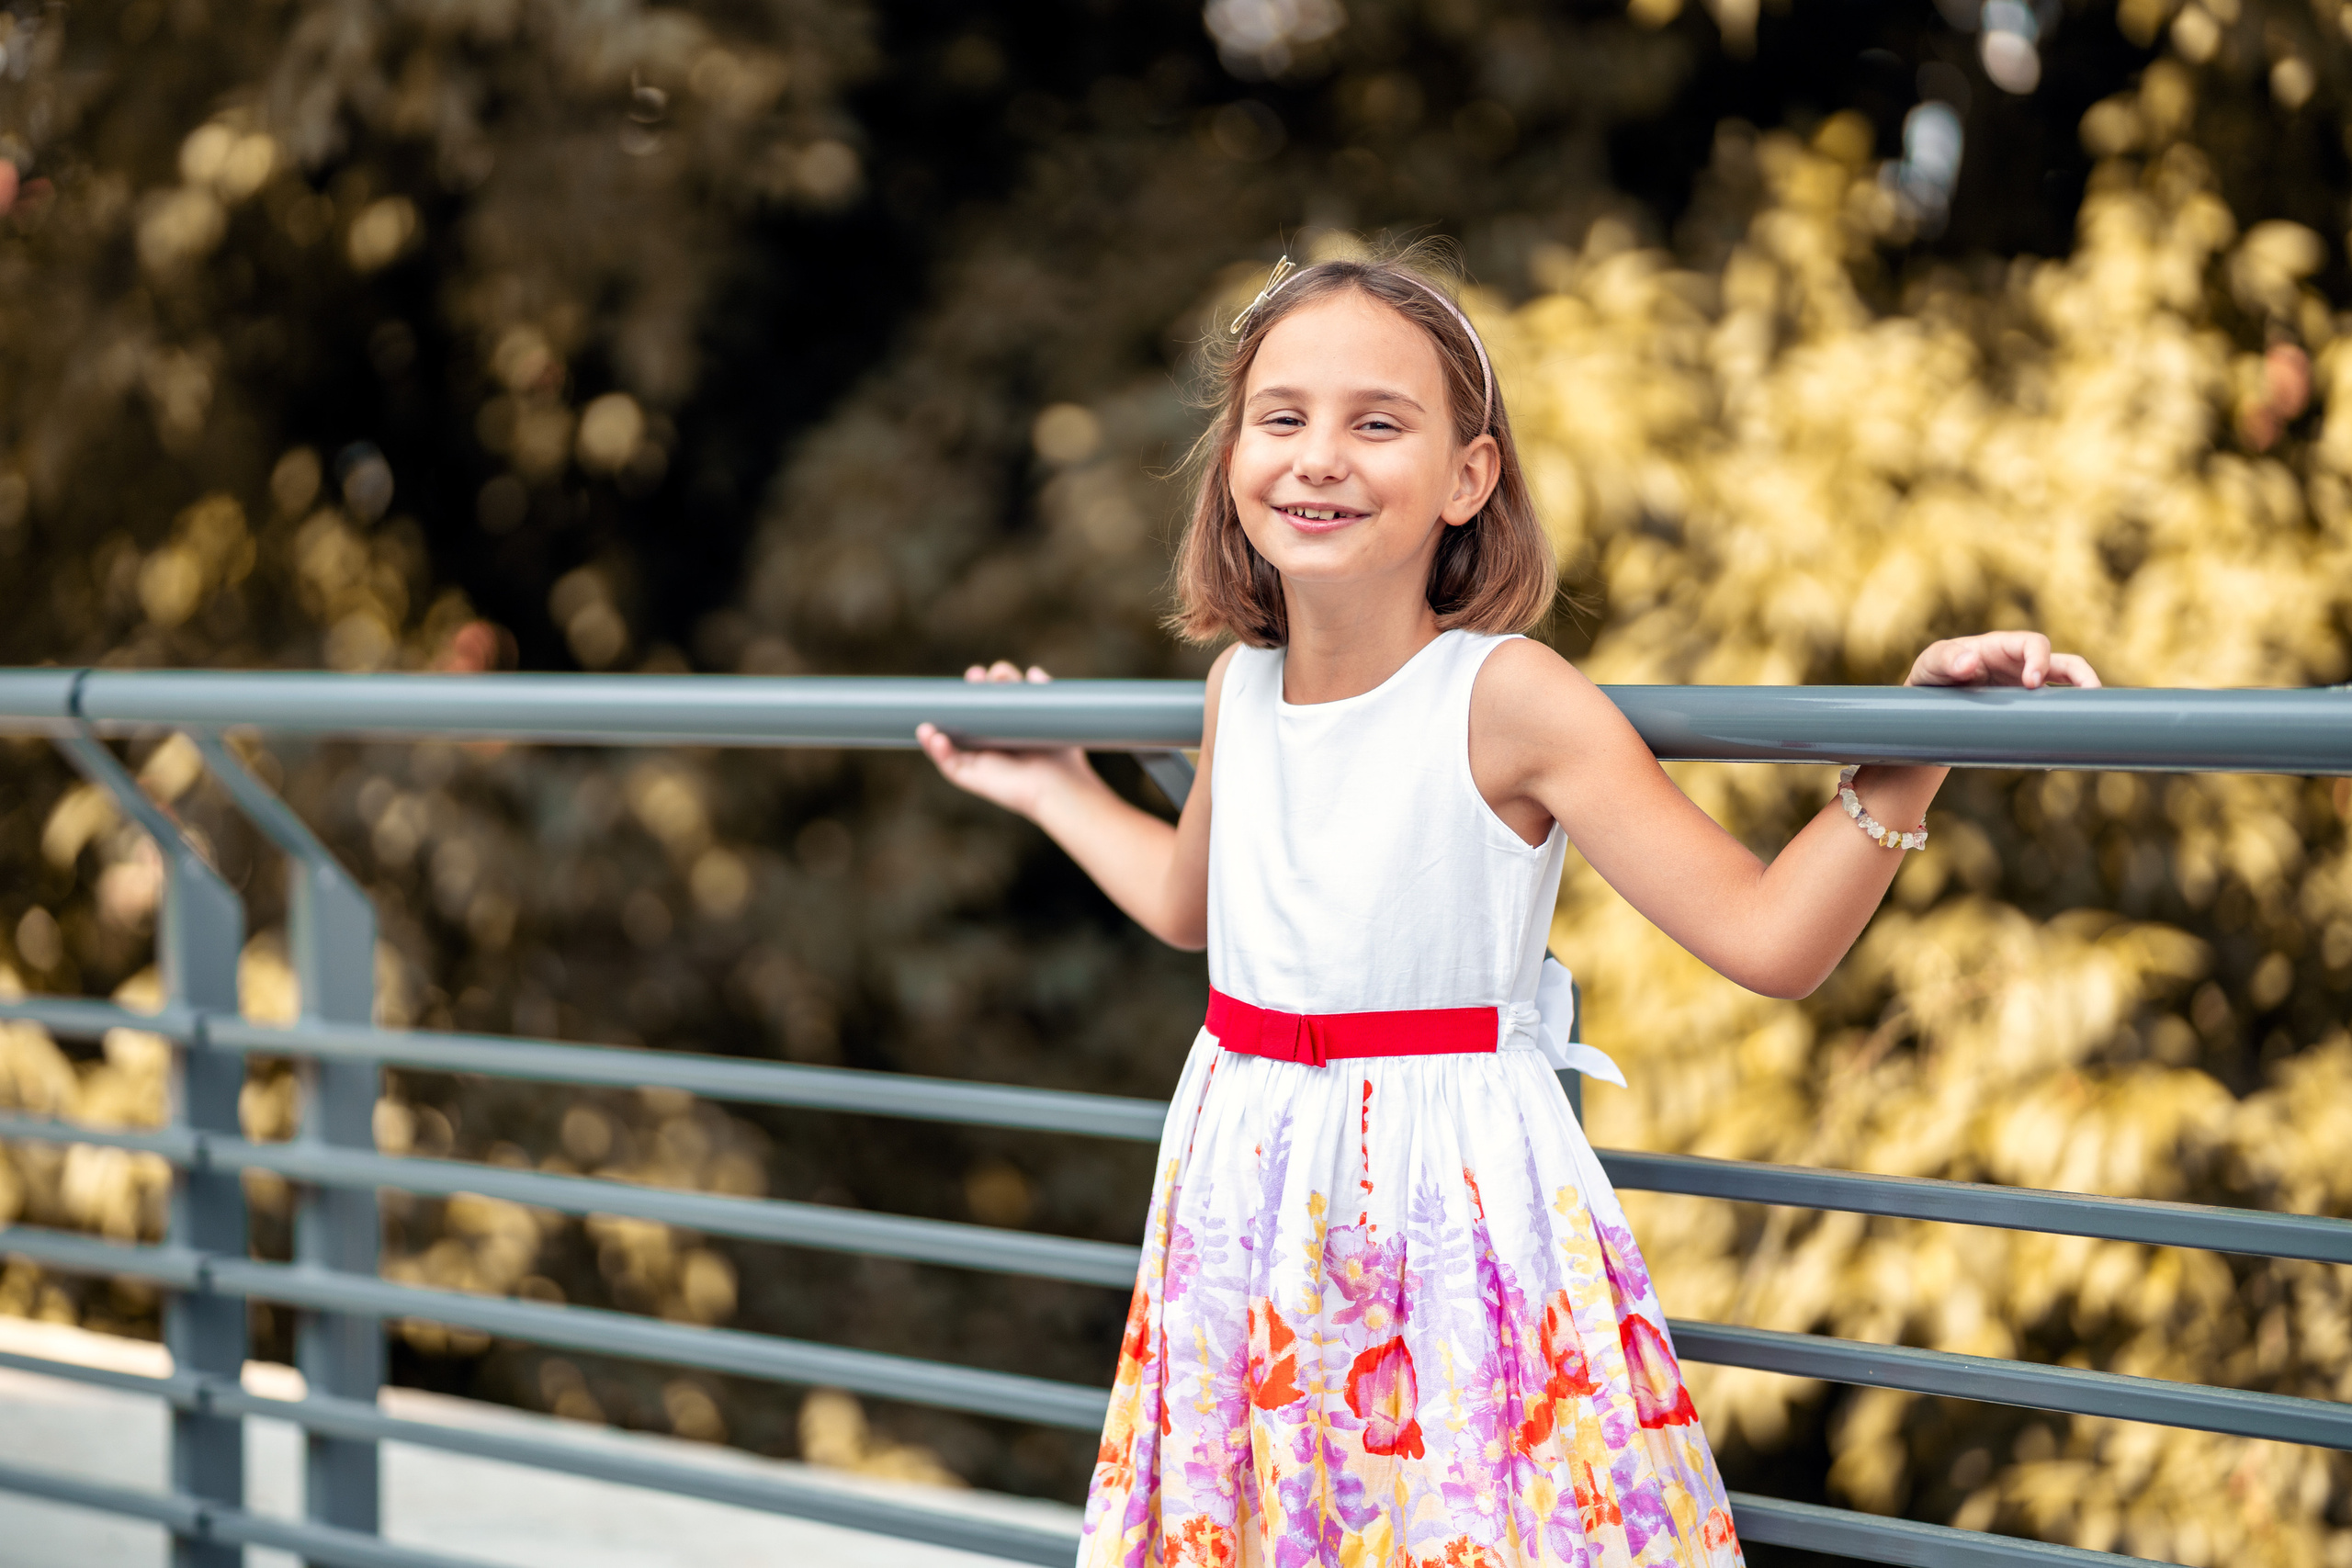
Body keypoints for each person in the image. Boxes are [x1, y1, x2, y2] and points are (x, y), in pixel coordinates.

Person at [918, 249, 2098, 1568]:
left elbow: (1771, 942)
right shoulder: (1235, 692)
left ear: (1468, 477)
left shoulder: (1508, 696)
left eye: (1377, 423)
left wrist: (1910, 750)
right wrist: (1052, 788)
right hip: (1243, 1199)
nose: (1318, 457)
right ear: (1233, 455)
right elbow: (1194, 911)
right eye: (1281, 417)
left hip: (1441, 1208)